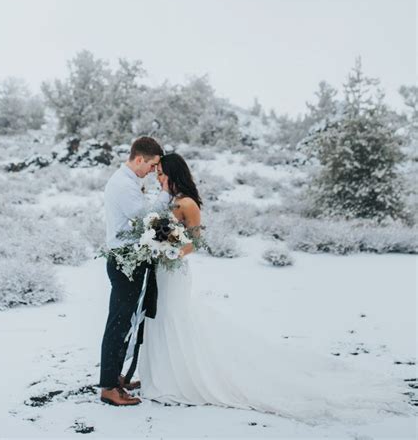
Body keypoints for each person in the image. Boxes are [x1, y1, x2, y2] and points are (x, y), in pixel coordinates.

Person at [137, 153, 409, 424]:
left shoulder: (187, 203)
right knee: (161, 317)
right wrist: (155, 243)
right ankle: (164, 375)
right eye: (157, 172)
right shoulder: (168, 201)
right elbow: (161, 233)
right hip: (162, 271)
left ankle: (182, 378)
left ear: (175, 173)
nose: (158, 177)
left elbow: (193, 243)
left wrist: (171, 253)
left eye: (162, 173)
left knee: (175, 317)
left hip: (175, 271)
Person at [99, 135, 165, 407]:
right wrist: (167, 194)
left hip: (128, 258)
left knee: (124, 322)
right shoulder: (124, 184)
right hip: (124, 261)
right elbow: (145, 219)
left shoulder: (128, 180)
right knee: (118, 323)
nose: (152, 171)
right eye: (151, 166)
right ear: (139, 159)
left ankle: (116, 378)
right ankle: (108, 387)